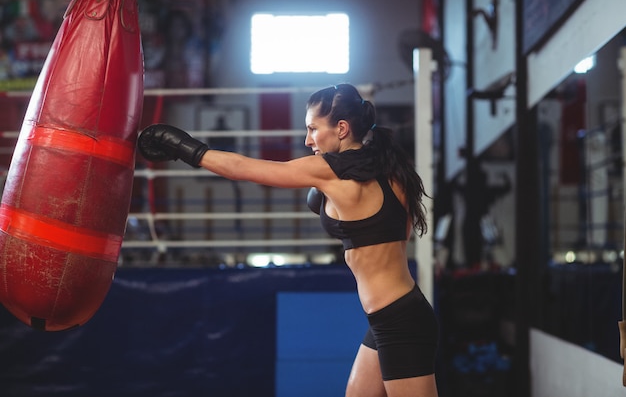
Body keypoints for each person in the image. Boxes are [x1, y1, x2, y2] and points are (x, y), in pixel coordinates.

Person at [137, 83, 439, 397]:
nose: (307, 140)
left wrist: (186, 148)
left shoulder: (331, 172)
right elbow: (398, 235)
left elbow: (245, 168)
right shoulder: (390, 169)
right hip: (394, 315)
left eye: (312, 129)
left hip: (398, 321)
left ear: (342, 128)